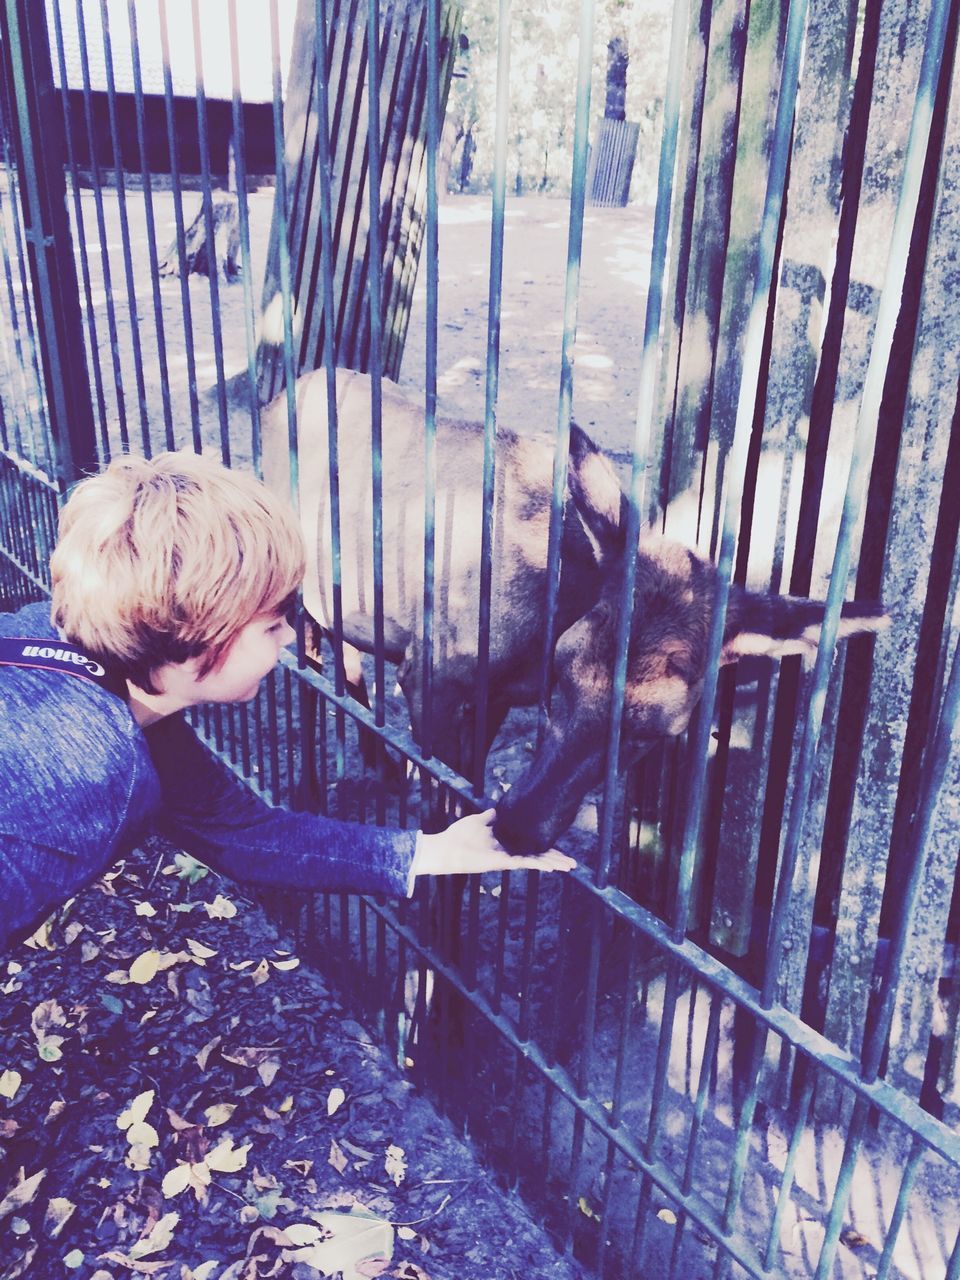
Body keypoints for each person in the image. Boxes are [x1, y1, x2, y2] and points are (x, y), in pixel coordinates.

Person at [0, 450, 574, 953]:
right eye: (274, 623)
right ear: (199, 631)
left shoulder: (60, 644)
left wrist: (434, 852)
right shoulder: (89, 780)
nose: (292, 638)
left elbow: (235, 831)